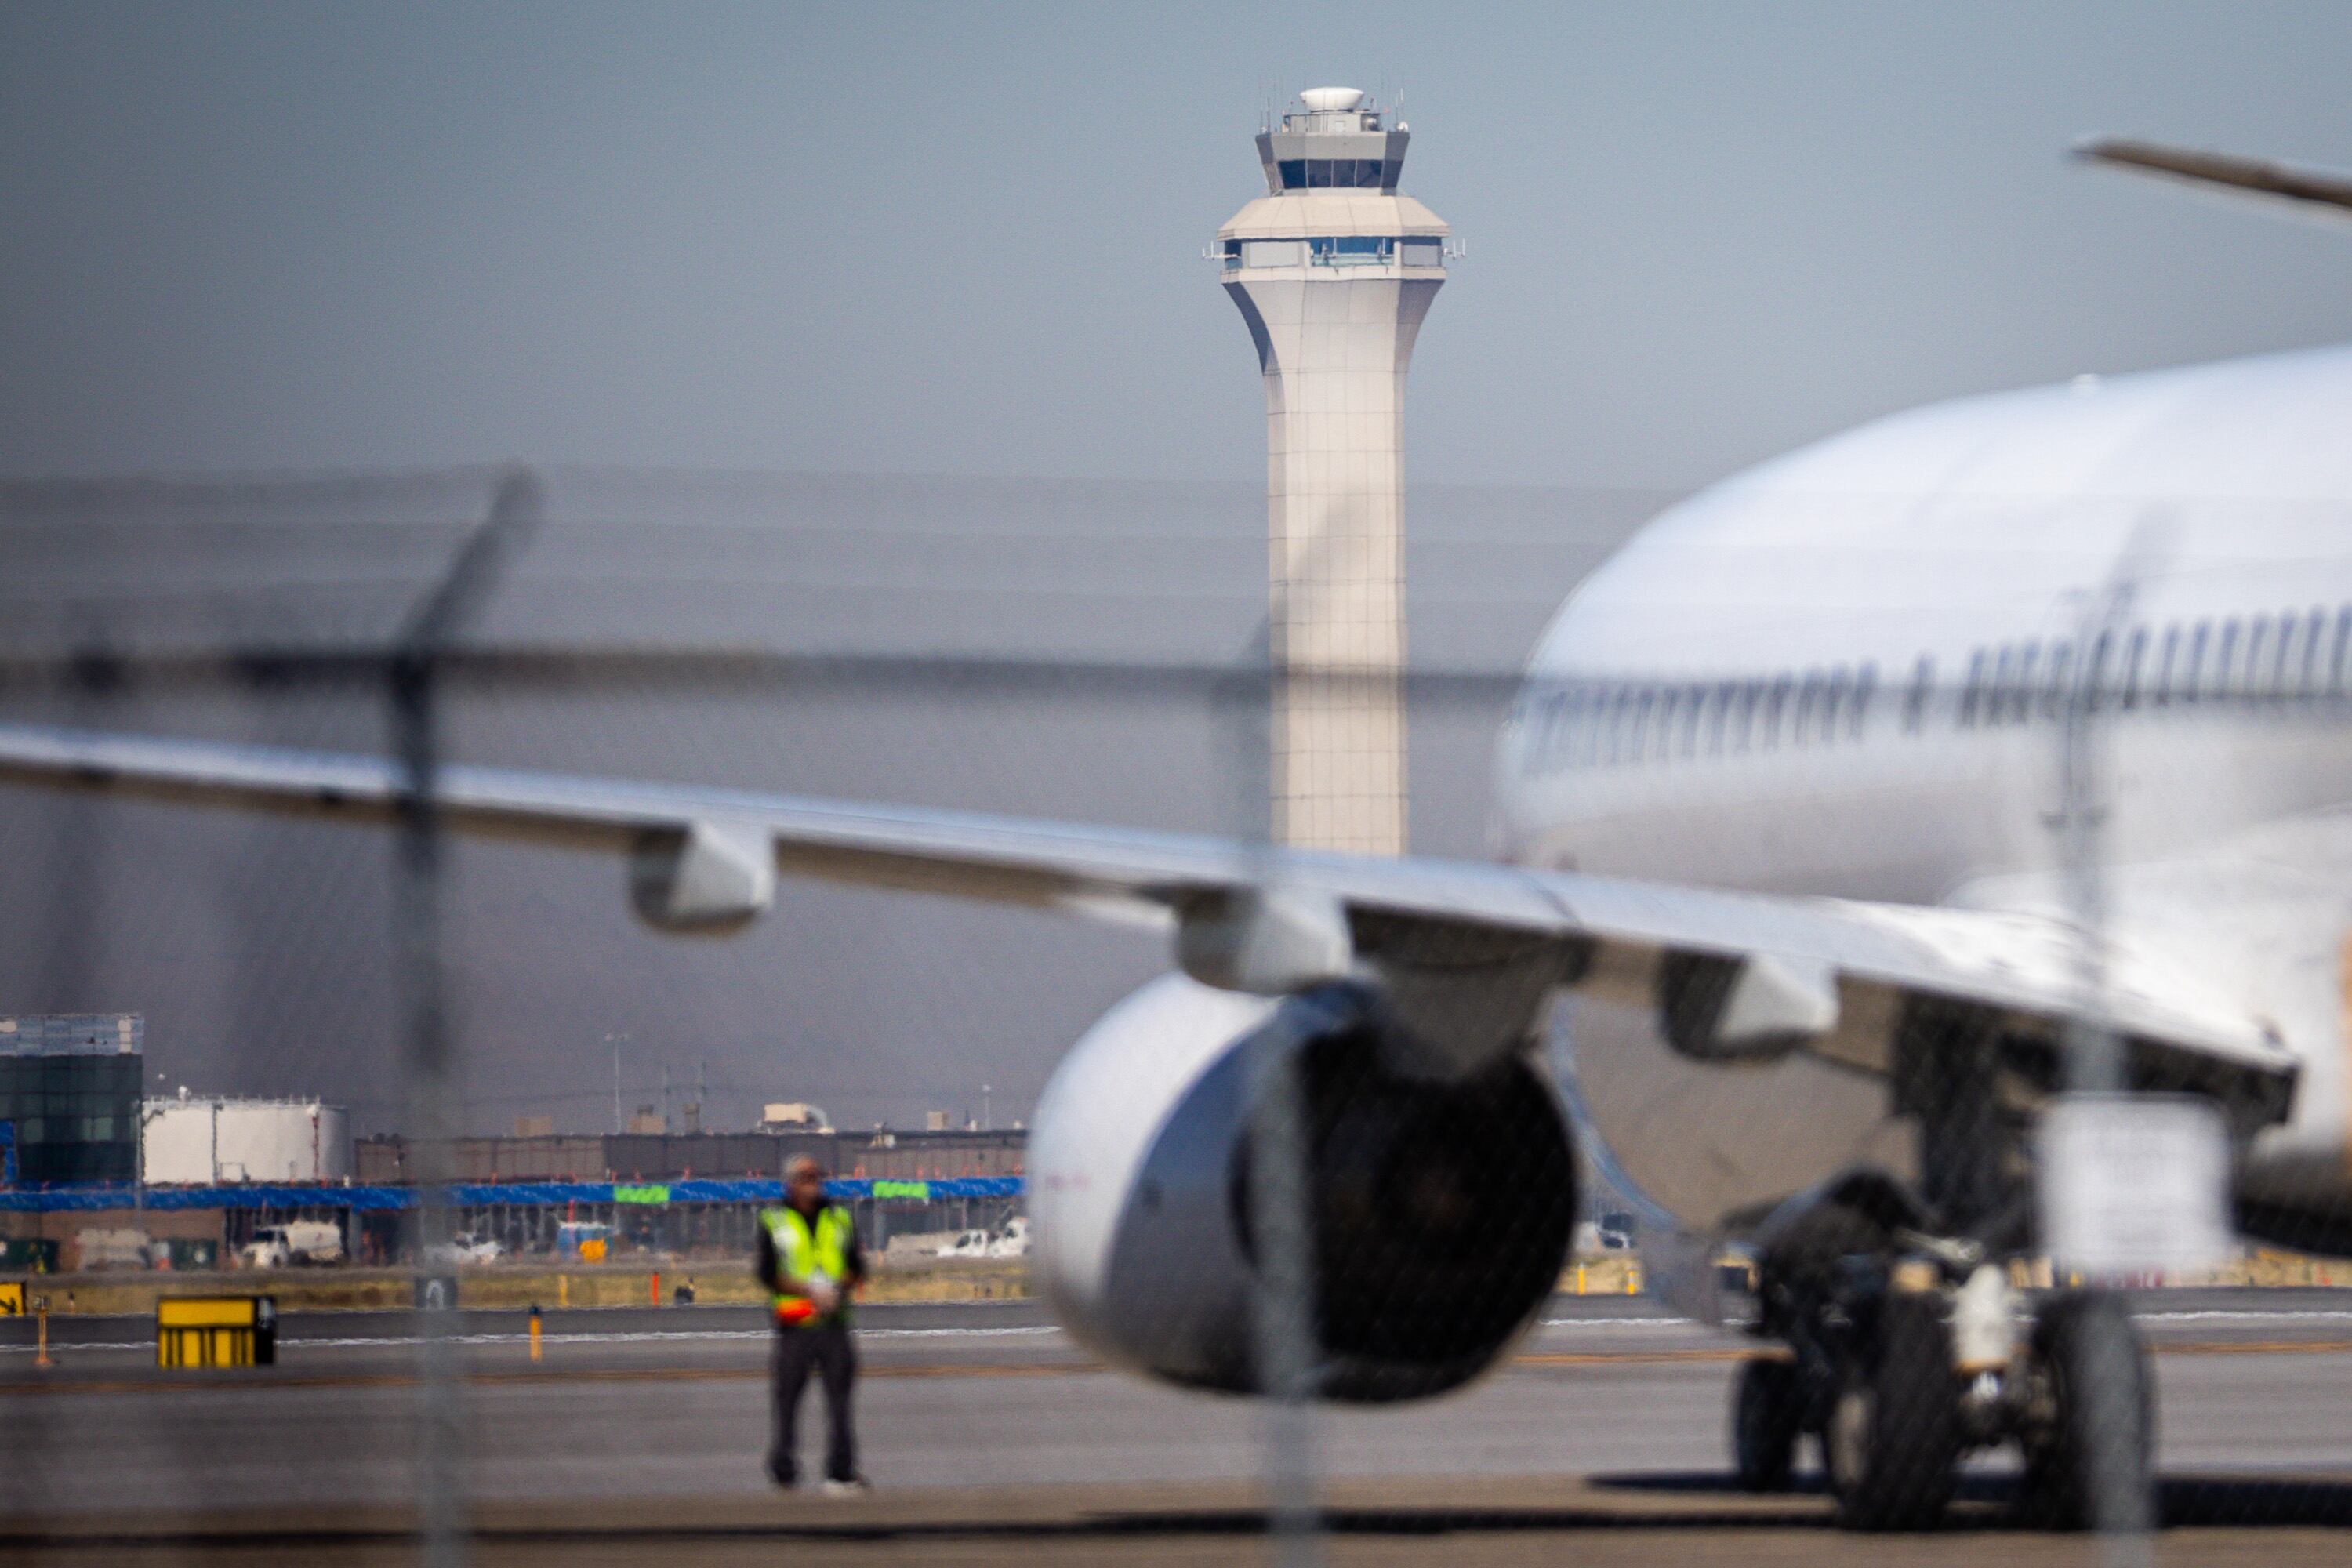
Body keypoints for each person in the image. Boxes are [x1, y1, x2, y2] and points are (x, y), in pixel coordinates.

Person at [757, 1155, 869, 1493]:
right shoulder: (773, 1219)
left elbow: (857, 1267)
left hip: (834, 1322)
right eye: (806, 1176)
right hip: (794, 1325)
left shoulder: (839, 1218)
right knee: (787, 1403)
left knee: (840, 1404)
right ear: (791, 1182)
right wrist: (808, 1290)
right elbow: (768, 1273)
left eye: (816, 1175)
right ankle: (784, 1472)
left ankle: (840, 1471)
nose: (813, 1181)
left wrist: (836, 1290)